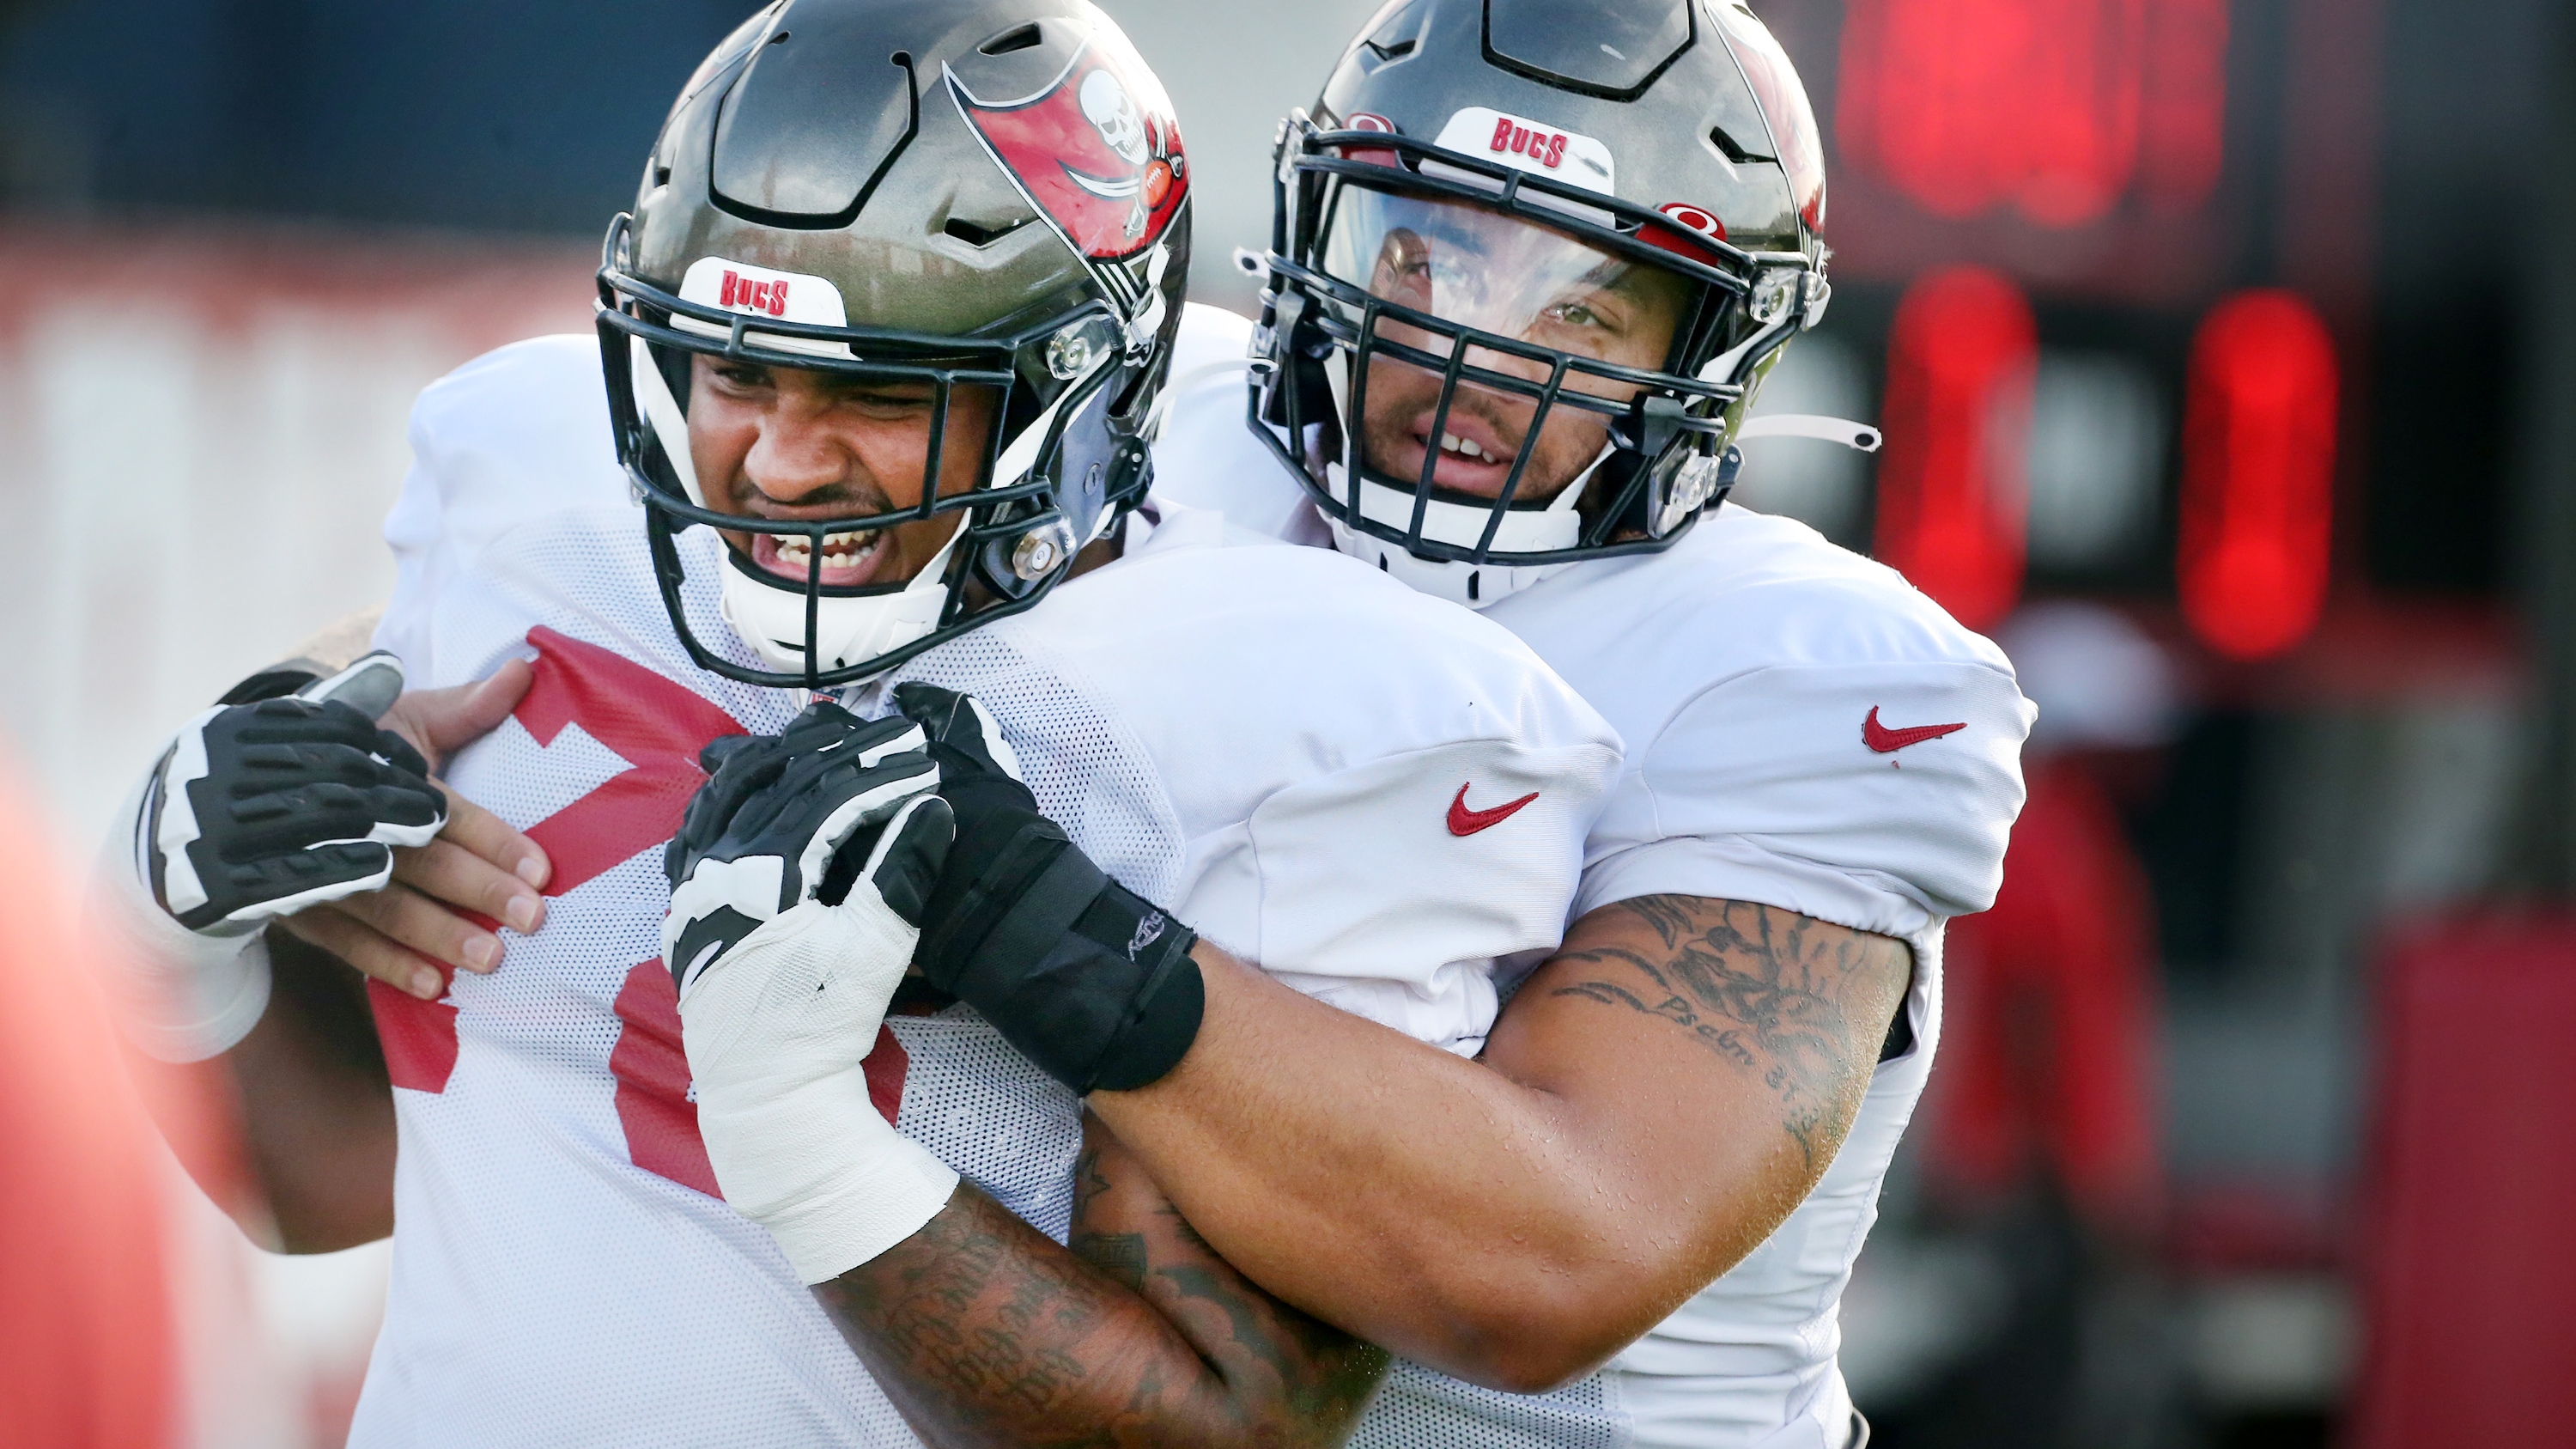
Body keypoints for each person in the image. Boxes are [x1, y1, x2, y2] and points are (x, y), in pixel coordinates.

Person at [92, 2, 1621, 1445]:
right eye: (736, 372)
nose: (779, 461)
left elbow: (1239, 1421)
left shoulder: (1279, 703)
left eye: (880, 394)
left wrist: (802, 1140)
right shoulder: (528, 494)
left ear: (1076, 395)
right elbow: (320, 1193)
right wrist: (166, 947)